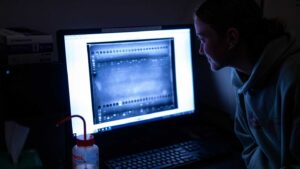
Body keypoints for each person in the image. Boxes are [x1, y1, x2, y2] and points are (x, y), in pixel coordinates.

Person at [193, 0, 300, 168]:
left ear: (231, 38)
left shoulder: (294, 77)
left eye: (203, 39)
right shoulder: (242, 78)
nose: (200, 50)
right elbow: (250, 146)